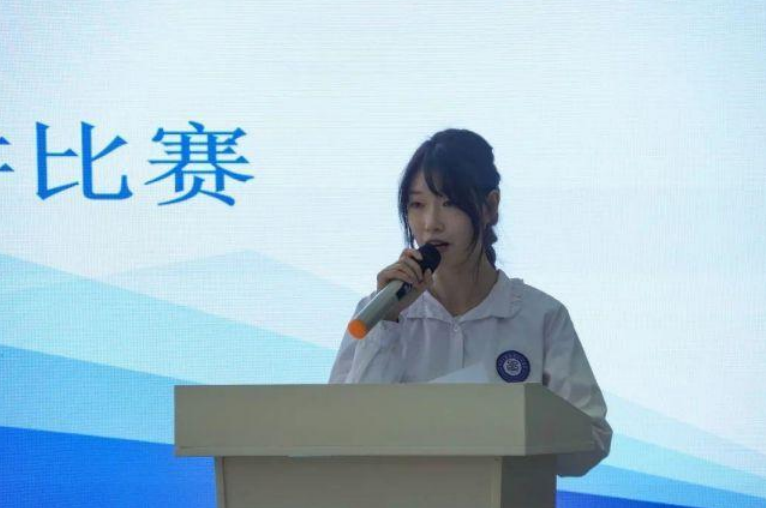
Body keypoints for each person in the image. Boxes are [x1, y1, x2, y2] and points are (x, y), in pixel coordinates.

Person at [328, 129, 612, 477]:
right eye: (417, 205)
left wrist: (513, 431)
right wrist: (387, 325)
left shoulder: (542, 316)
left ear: (490, 207)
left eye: (449, 203)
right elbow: (342, 436)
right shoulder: (377, 311)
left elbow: (593, 437)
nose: (431, 224)